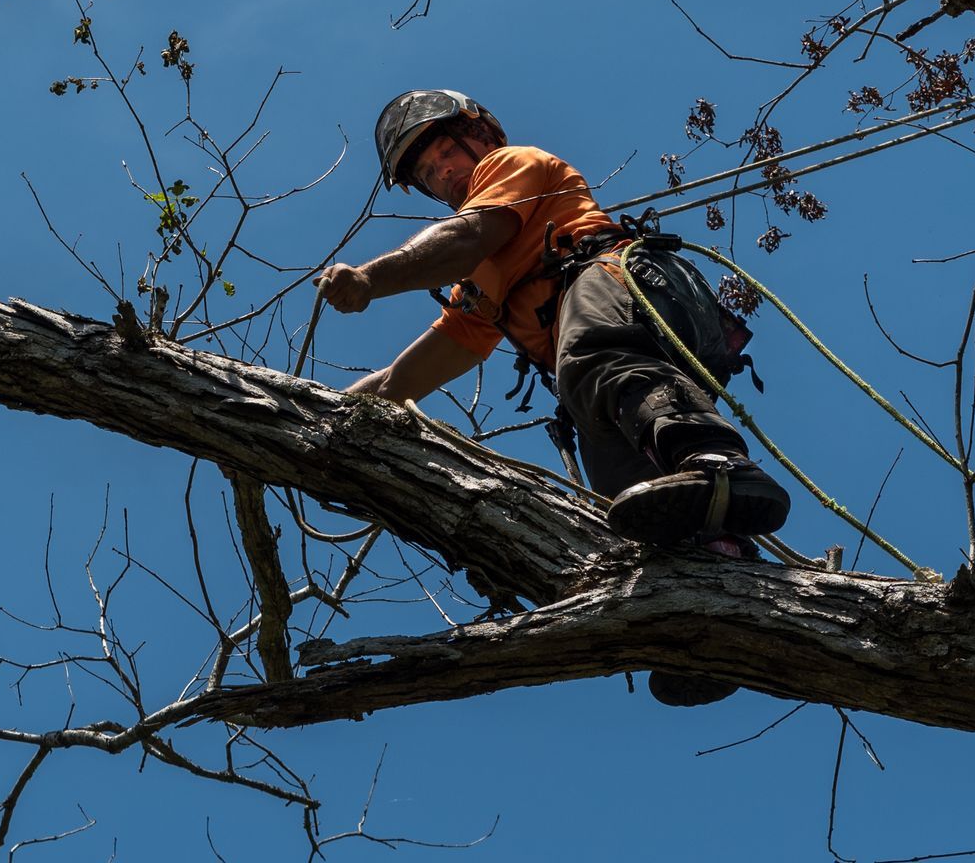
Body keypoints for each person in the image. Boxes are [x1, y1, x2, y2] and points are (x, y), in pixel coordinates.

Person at [316, 91, 789, 703]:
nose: (444, 175)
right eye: (429, 175)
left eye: (444, 155)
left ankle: (719, 463)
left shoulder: (514, 168)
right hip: (603, 376)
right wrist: (338, 406)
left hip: (621, 289)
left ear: (480, 135)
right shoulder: (482, 273)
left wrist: (371, 279)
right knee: (634, 504)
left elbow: (464, 239)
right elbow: (451, 344)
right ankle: (714, 613)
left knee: (594, 357)